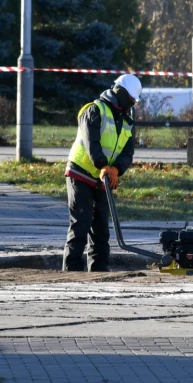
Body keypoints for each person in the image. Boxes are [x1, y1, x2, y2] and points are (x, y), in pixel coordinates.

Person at [62, 74, 142, 272]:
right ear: (120, 93)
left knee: (100, 228)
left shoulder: (127, 120)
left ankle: (99, 270)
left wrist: (116, 169)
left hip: (104, 178)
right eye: (131, 99)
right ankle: (72, 271)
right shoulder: (95, 110)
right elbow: (92, 144)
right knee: (81, 223)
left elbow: (128, 152)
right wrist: (103, 165)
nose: (132, 104)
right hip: (81, 173)